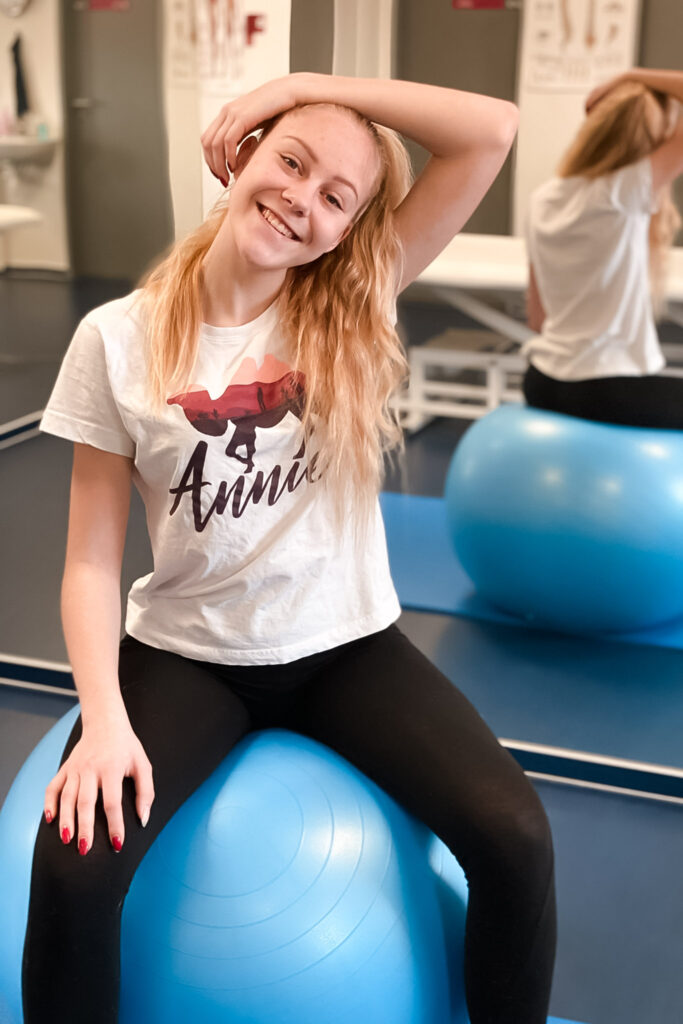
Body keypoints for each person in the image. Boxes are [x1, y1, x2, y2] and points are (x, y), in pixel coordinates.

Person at [22, 73, 555, 1024]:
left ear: (348, 231)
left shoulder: (354, 303)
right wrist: (102, 721)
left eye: (334, 197)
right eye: (290, 161)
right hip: (187, 655)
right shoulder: (116, 338)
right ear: (242, 156)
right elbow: (91, 561)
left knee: (514, 835)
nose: (300, 199)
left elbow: (490, 130)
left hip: (346, 648)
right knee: (71, 870)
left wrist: (304, 86)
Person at [523, 67, 683, 429]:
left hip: (543, 382)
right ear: (649, 146)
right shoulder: (620, 189)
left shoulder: (543, 198)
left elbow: (537, 319)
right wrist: (633, 75)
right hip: (608, 388)